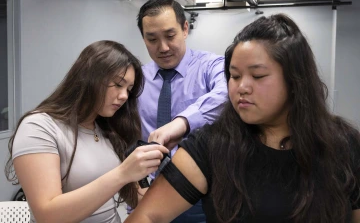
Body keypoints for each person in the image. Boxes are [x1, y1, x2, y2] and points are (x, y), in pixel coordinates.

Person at [124, 14, 360, 223]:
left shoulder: (343, 143)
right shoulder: (210, 146)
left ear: (295, 80)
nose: (241, 87)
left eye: (258, 76)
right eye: (235, 76)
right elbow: (149, 215)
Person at [5, 40, 169, 223]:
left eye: (129, 90)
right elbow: (48, 215)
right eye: (118, 84)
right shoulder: (39, 127)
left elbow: (138, 199)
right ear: (89, 77)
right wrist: (123, 173)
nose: (124, 96)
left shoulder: (107, 129)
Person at [134, 0, 228, 222]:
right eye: (152, 39)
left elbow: (228, 94)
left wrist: (182, 123)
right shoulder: (136, 79)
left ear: (185, 28)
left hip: (203, 194)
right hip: (146, 195)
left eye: (170, 36)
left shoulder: (211, 66)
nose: (163, 47)